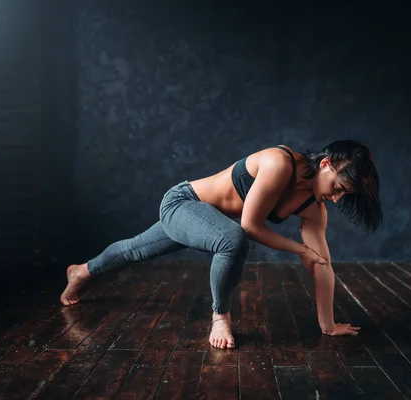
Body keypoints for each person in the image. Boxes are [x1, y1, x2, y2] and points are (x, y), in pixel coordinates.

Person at [61, 140, 383, 349]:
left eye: (345, 195)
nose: (337, 199)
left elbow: (322, 265)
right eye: (338, 187)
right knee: (233, 239)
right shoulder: (279, 163)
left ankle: (81, 272)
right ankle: (220, 318)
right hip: (183, 204)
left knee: (136, 248)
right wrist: (299, 249)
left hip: (208, 222)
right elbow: (250, 226)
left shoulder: (314, 210)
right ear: (326, 164)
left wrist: (328, 326)